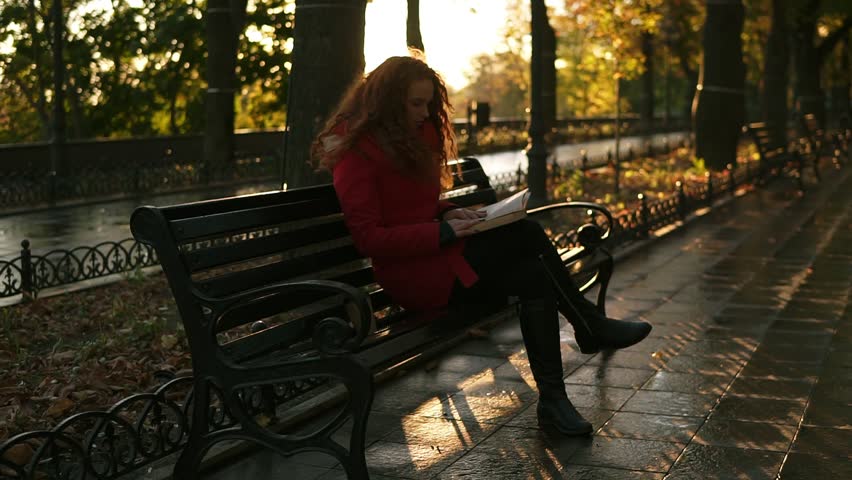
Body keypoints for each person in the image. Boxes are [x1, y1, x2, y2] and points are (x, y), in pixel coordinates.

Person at [312, 53, 651, 436]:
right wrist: (443, 232)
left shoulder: (409, 136)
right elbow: (369, 237)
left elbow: (411, 206)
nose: (425, 112)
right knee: (526, 236)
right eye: (416, 103)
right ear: (386, 101)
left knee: (532, 275)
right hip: (413, 275)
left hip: (442, 256)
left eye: (428, 103)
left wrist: (447, 214)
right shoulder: (355, 152)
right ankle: (587, 326)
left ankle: (555, 403)